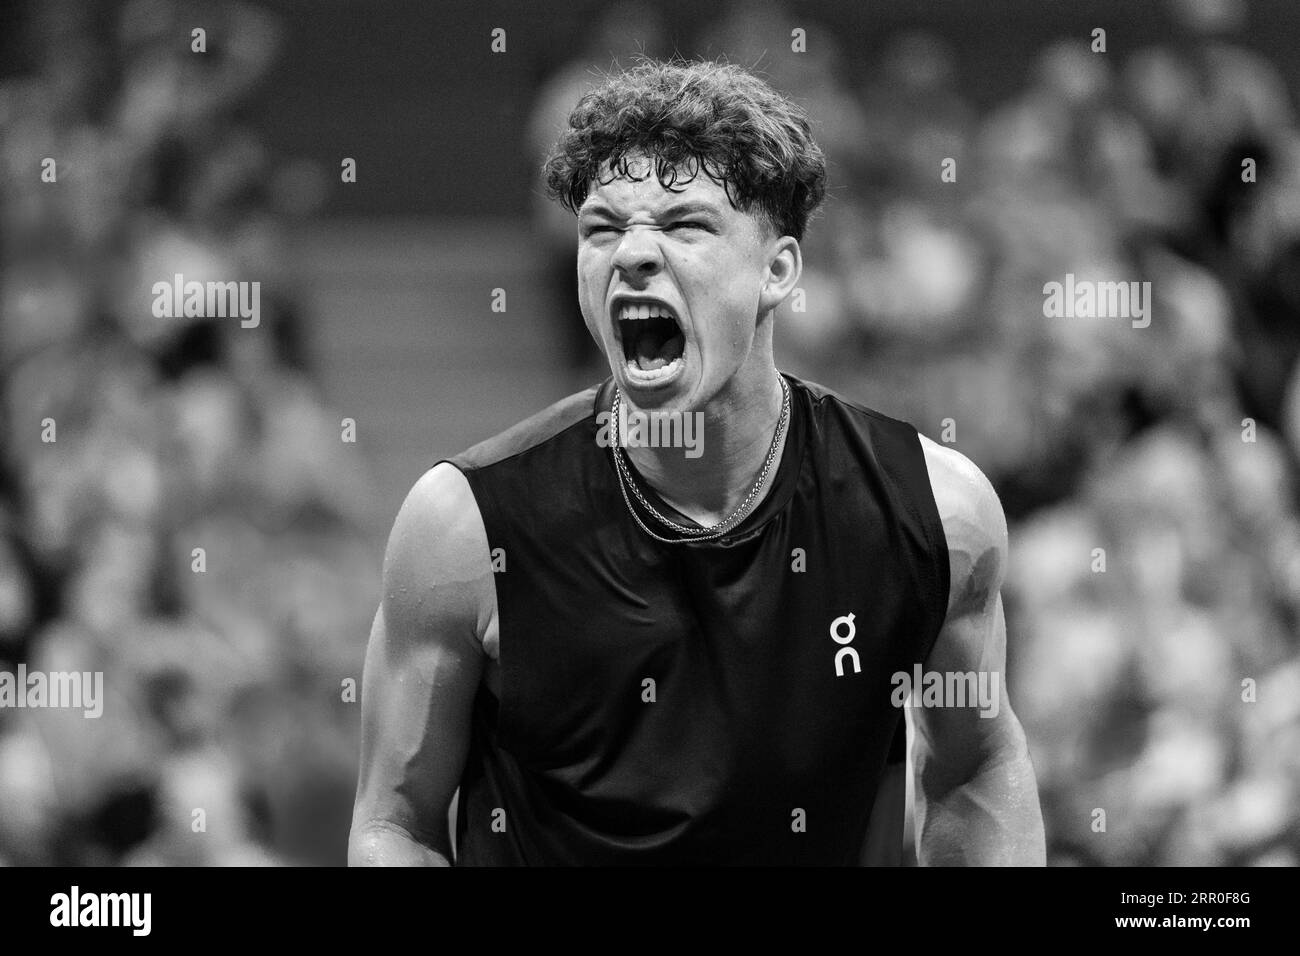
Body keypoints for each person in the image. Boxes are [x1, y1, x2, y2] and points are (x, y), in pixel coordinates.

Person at [348, 58, 1045, 866]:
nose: (631, 255)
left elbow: (977, 766)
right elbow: (395, 825)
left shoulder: (934, 512)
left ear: (778, 270)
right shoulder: (463, 528)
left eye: (685, 225)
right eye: (602, 228)